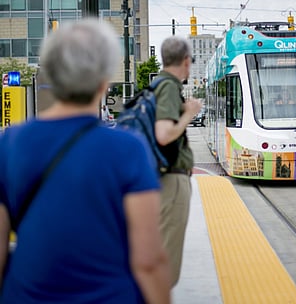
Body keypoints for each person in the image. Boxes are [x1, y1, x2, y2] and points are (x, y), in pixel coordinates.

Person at [0, 19, 171, 303]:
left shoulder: (9, 144)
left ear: (51, 77)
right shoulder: (128, 150)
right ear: (104, 81)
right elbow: (149, 261)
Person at [154, 36, 203, 287]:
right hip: (172, 179)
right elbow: (164, 134)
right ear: (185, 61)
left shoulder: (158, 84)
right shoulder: (169, 86)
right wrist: (190, 115)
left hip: (165, 177)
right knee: (168, 262)